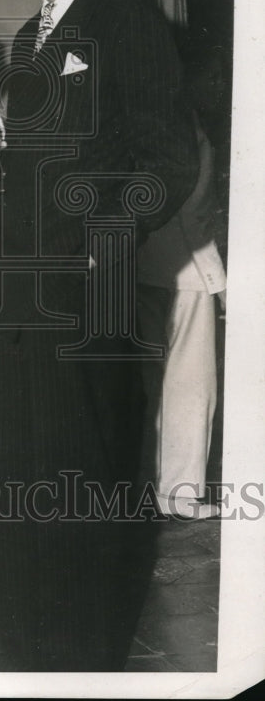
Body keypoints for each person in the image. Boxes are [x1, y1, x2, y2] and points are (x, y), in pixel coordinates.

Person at [0, 0, 199, 670]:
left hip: (91, 289)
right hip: (23, 297)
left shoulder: (127, 20)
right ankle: (28, 654)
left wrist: (111, 231)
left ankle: (85, 664)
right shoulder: (30, 37)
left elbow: (167, 159)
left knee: (86, 478)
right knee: (26, 478)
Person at [136, 117, 226, 519]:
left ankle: (143, 487)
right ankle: (178, 494)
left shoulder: (124, 116)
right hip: (184, 266)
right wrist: (216, 279)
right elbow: (194, 212)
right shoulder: (189, 128)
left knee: (144, 381)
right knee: (190, 380)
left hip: (130, 263)